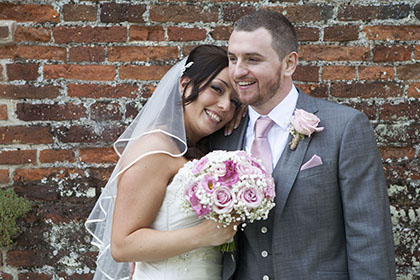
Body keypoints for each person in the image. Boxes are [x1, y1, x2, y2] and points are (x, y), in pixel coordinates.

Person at [210, 10, 396, 279]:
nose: (238, 71)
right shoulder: (222, 135)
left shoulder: (344, 128)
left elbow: (369, 238)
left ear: (289, 64)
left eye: (253, 59)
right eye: (232, 58)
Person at [85, 45, 241, 280]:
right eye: (217, 89)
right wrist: (206, 234)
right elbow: (122, 245)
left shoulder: (203, 151)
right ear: (184, 85)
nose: (225, 106)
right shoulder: (155, 148)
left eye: (235, 102)